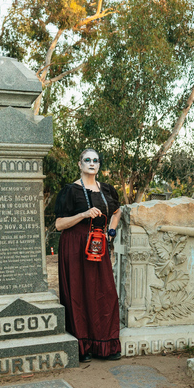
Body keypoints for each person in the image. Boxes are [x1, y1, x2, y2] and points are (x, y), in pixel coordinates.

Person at [55, 148, 122, 362]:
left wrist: (110, 232)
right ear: (80, 164)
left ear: (99, 165)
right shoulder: (70, 191)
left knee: (104, 291)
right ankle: (82, 346)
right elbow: (59, 225)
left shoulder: (108, 190)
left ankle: (105, 345)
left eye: (95, 160)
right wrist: (83, 214)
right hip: (74, 244)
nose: (91, 163)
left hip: (97, 243)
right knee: (78, 293)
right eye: (87, 160)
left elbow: (117, 211)